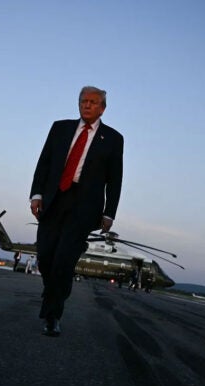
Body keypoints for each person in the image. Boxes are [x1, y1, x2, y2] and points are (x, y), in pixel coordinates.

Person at [30, 86, 124, 337]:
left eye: (93, 102)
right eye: (84, 101)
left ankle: (52, 316)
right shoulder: (59, 128)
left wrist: (109, 212)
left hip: (84, 207)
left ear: (102, 108)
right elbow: (44, 162)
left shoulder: (114, 139)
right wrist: (36, 194)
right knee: (46, 256)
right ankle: (52, 291)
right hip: (54, 200)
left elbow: (115, 180)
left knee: (63, 262)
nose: (87, 105)